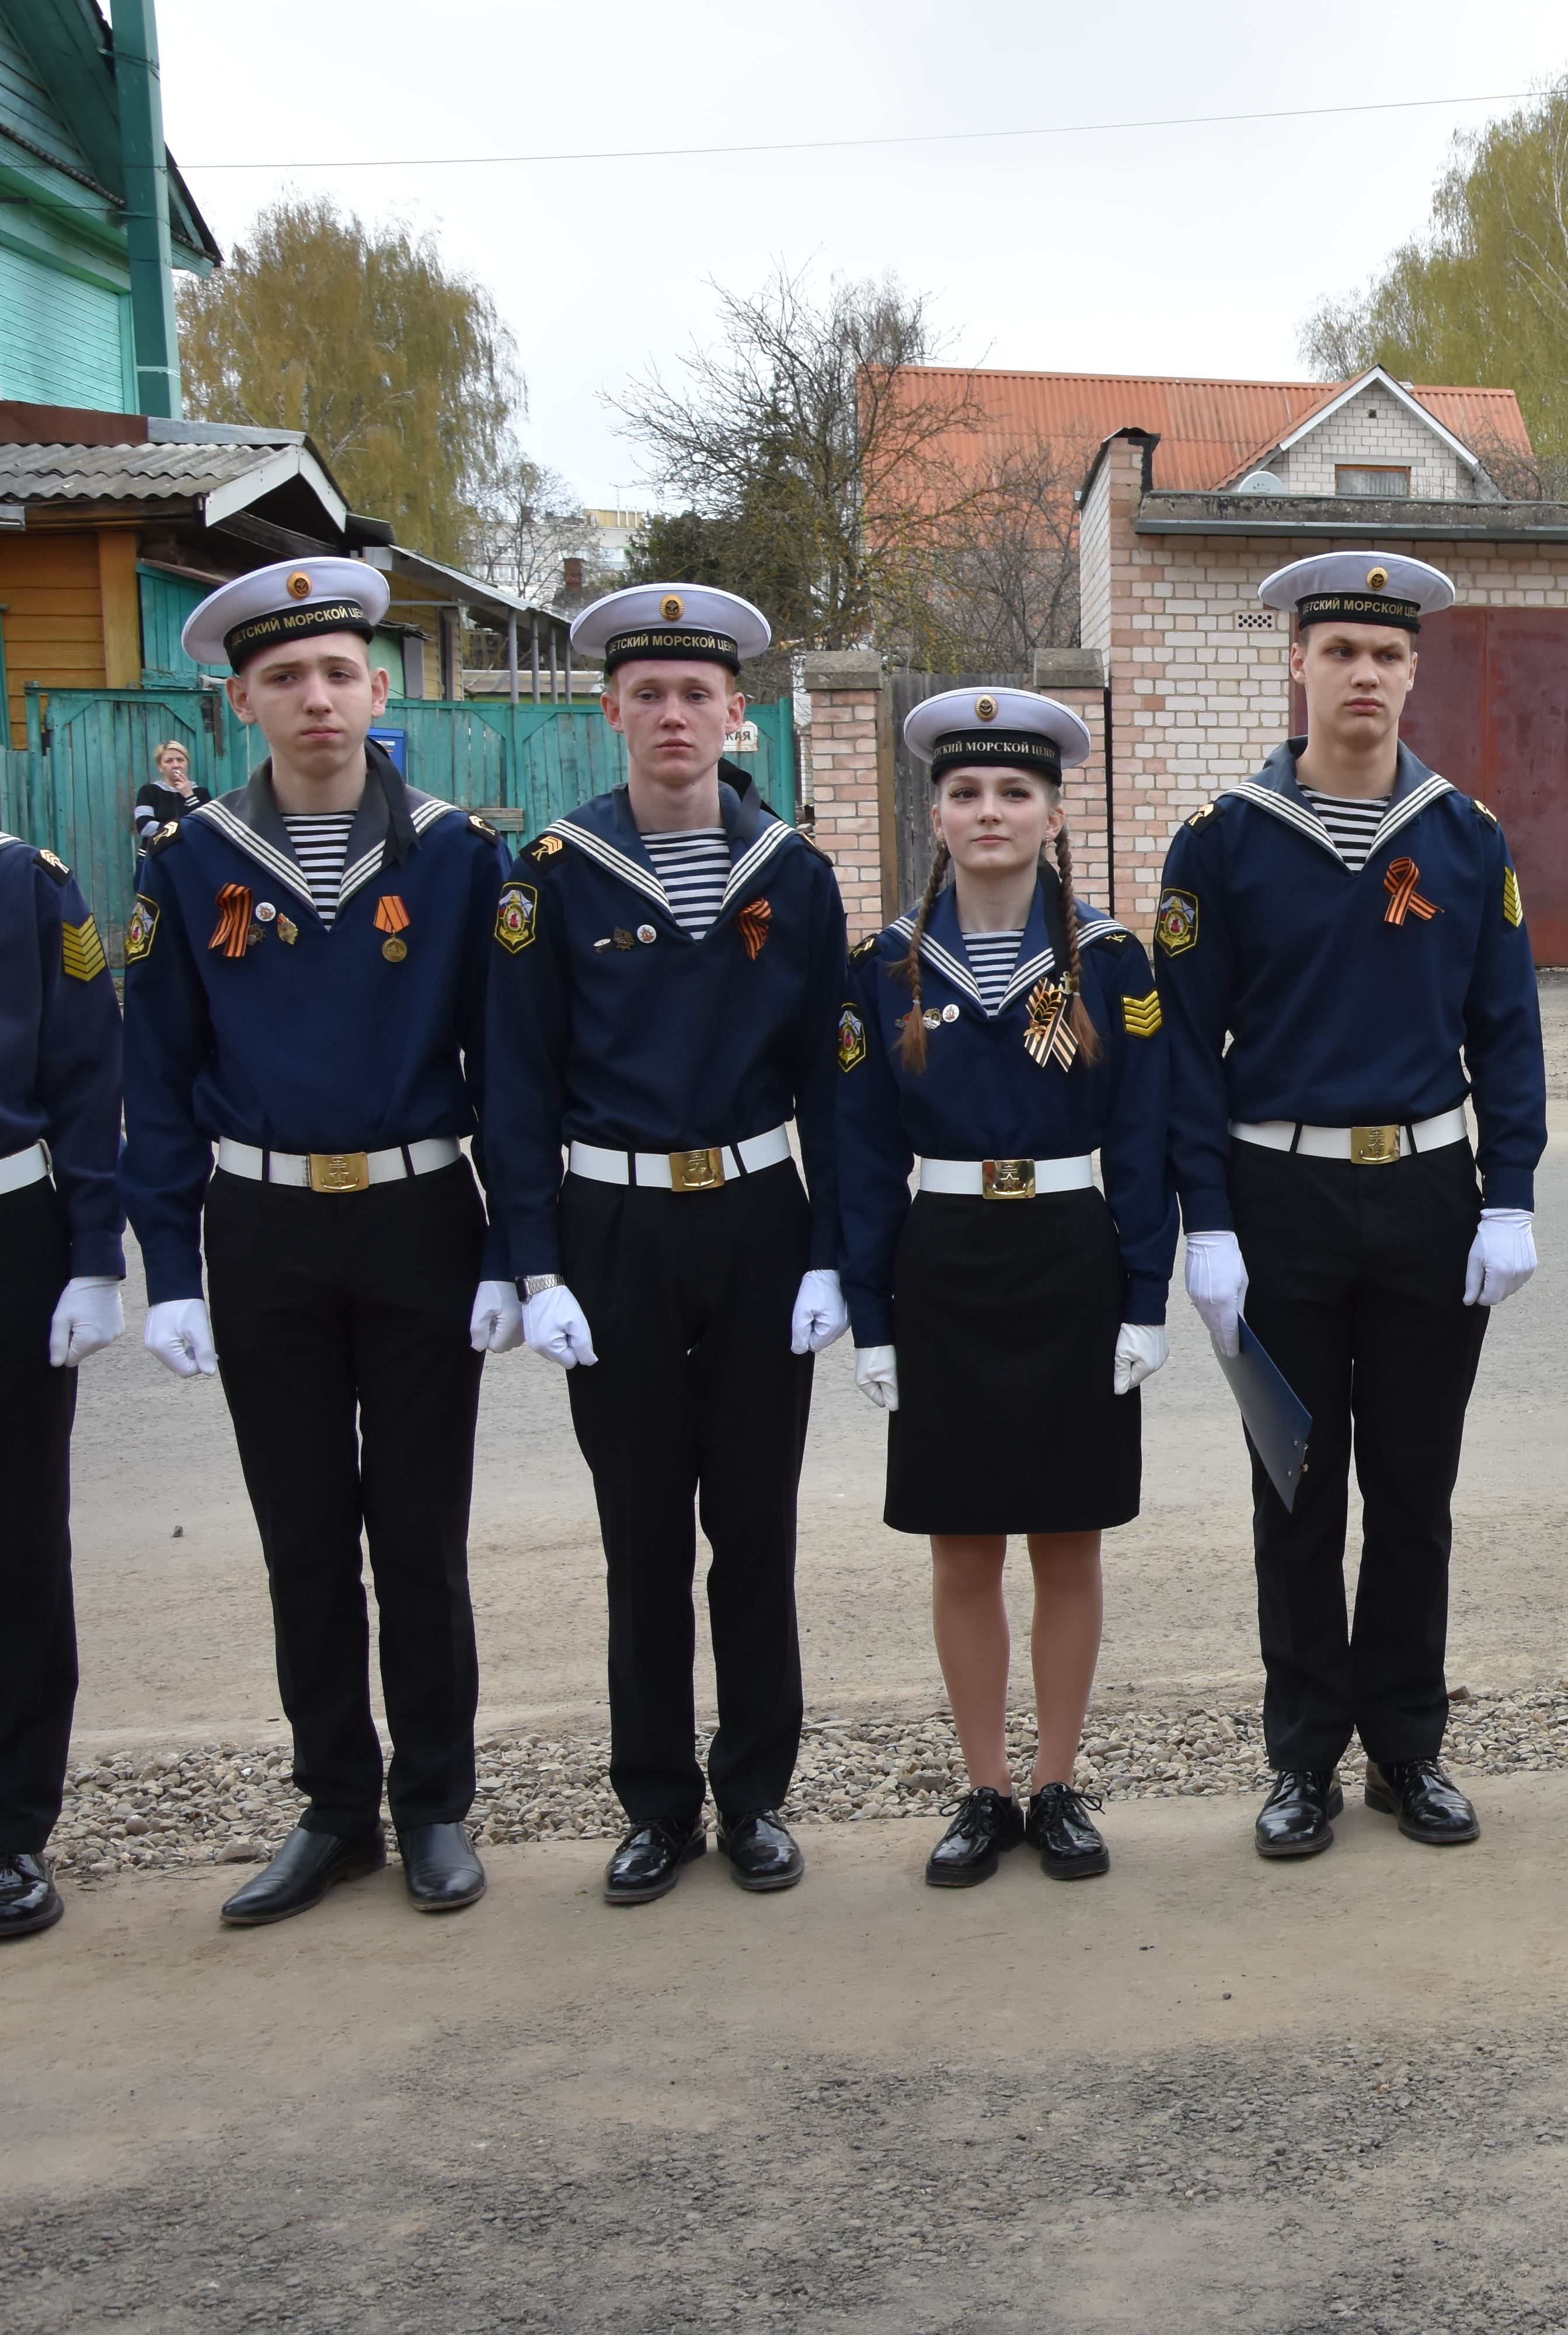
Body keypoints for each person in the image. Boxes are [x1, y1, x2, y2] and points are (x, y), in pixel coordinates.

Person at [123, 557, 517, 1926]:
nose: (316, 699)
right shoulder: (189, 865)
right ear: (240, 701)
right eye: (284, 677)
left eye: (338, 671)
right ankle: (335, 1807)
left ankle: (436, 1807)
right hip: (266, 1222)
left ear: (379, 686)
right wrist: (168, 1267)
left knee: (420, 1532)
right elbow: (157, 1077)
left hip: (418, 1217)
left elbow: (509, 1064)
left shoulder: (460, 856)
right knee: (303, 1534)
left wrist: (518, 1248)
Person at [1155, 550, 1546, 1862]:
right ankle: (1303, 1758)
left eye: (1387, 654)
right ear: (1298, 664)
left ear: (1414, 669)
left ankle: (1409, 1749)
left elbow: (1509, 1031)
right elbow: (1182, 1053)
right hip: (1280, 1198)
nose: (1364, 675)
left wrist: (1515, 1191)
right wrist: (1205, 1220)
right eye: (1341, 652)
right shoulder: (1221, 841)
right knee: (1297, 1490)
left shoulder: (1465, 836)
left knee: (1416, 1492)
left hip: (1433, 1193)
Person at [482, 582, 851, 1905]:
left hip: (760, 1219)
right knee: (639, 1532)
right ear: (612, 714)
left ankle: (753, 1793)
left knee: (753, 1524)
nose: (674, 714)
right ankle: (654, 1802)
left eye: (698, 692)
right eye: (649, 693)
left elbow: (834, 1082)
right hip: (615, 1226)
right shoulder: (553, 879)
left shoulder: (796, 878)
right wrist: (535, 1265)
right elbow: (513, 1085)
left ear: (735, 709)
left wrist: (835, 1252)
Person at [839, 689, 1174, 1887]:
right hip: (944, 1262)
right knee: (963, 1544)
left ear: (1053, 812)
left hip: (1069, 1255)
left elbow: (1144, 1137)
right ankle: (984, 1785)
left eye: (1015, 791)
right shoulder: (883, 965)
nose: (991, 811)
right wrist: (869, 1315)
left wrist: (1146, 1297)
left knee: (1069, 1539)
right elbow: (862, 1153)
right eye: (969, 792)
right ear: (936, 813)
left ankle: (1058, 1781)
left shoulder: (1110, 959)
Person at [0, 809, 127, 1942]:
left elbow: (89, 1076)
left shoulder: (26, 884)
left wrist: (95, 1253)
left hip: (7, 1232)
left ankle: (8, 1827)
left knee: (18, 1533)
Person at [133, 737, 207, 847]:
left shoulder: (201, 793)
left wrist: (190, 796)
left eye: (181, 760)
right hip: (157, 857)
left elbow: (206, 826)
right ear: (160, 767)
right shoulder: (149, 792)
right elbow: (145, 827)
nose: (176, 765)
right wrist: (185, 829)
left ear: (187, 763)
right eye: (169, 761)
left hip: (191, 856)